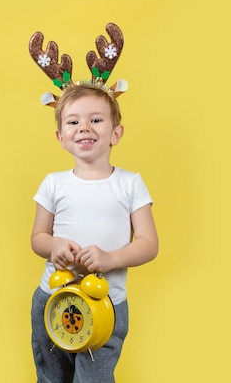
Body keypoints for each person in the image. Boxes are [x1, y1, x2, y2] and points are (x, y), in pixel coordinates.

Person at [30, 83, 159, 383]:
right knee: (50, 377)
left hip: (106, 304)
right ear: (61, 138)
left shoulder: (130, 184)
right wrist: (54, 246)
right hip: (53, 299)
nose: (84, 127)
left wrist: (111, 258)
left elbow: (149, 243)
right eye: (73, 121)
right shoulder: (53, 183)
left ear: (116, 133)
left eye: (96, 119)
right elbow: (38, 237)